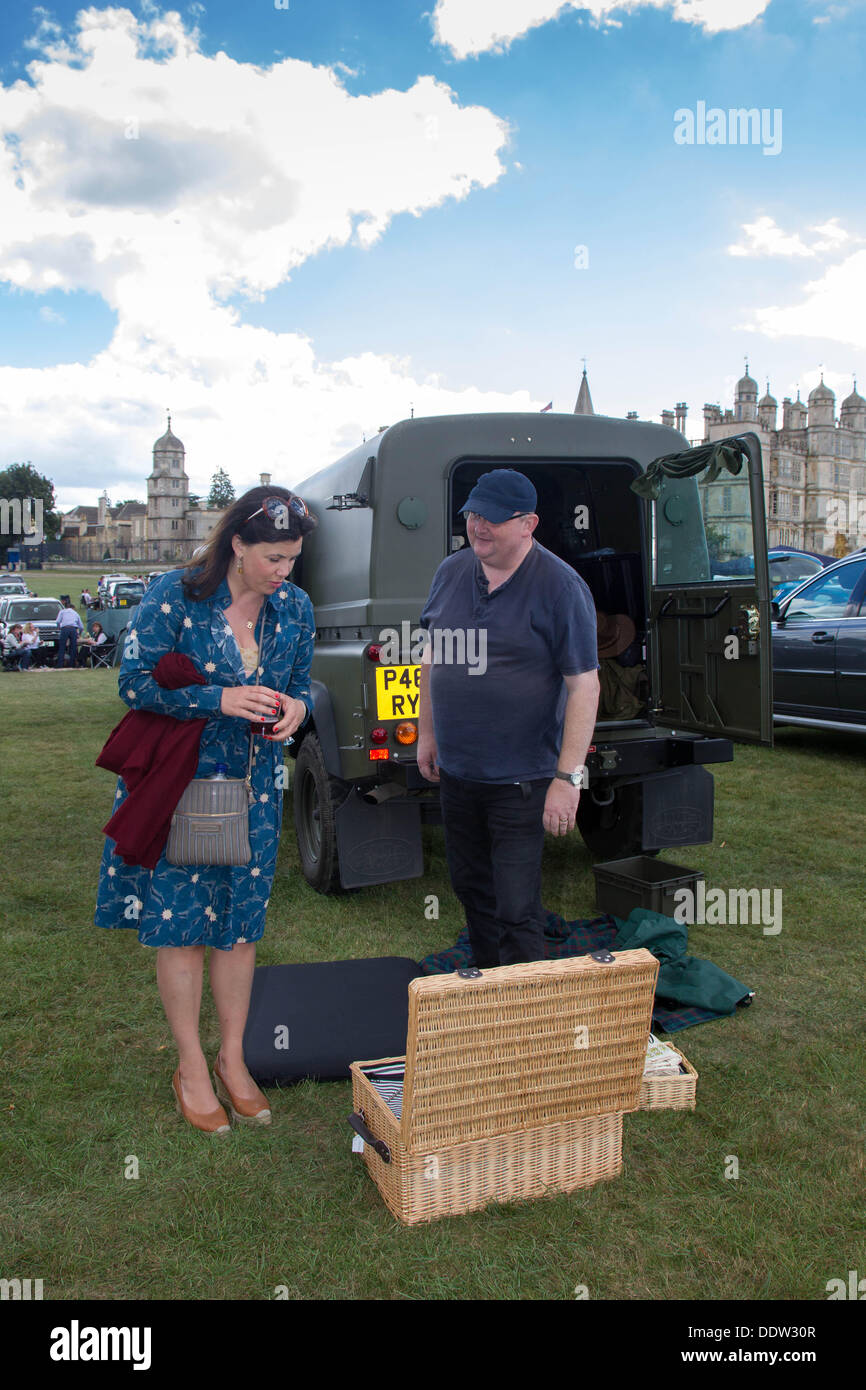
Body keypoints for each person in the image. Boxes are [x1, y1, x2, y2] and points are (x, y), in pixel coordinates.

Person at [94, 486, 317, 1134]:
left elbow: (298, 684)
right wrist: (216, 700)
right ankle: (191, 1065)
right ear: (237, 545)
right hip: (191, 783)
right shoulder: (176, 594)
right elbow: (133, 682)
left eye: (293, 559)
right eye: (273, 558)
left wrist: (298, 710)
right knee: (186, 927)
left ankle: (233, 1059)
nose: (284, 572)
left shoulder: (295, 607)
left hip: (256, 788)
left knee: (242, 928)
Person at [418, 468, 600, 969]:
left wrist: (568, 779)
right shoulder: (450, 572)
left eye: (493, 519)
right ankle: (486, 988)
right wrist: (427, 734)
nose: (479, 527)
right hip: (457, 773)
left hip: (523, 779)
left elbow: (585, 685)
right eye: (474, 515)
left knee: (517, 904)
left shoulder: (562, 587)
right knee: (471, 887)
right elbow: (431, 656)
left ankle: (523, 1011)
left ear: (528, 524)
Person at [56, 597, 84, 667]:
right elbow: (81, 627)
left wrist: (59, 628)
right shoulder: (75, 613)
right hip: (73, 629)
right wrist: (79, 634)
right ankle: (72, 664)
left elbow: (58, 621)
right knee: (73, 647)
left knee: (62, 646)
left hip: (64, 629)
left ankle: (60, 664)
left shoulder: (62, 611)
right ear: (73, 608)